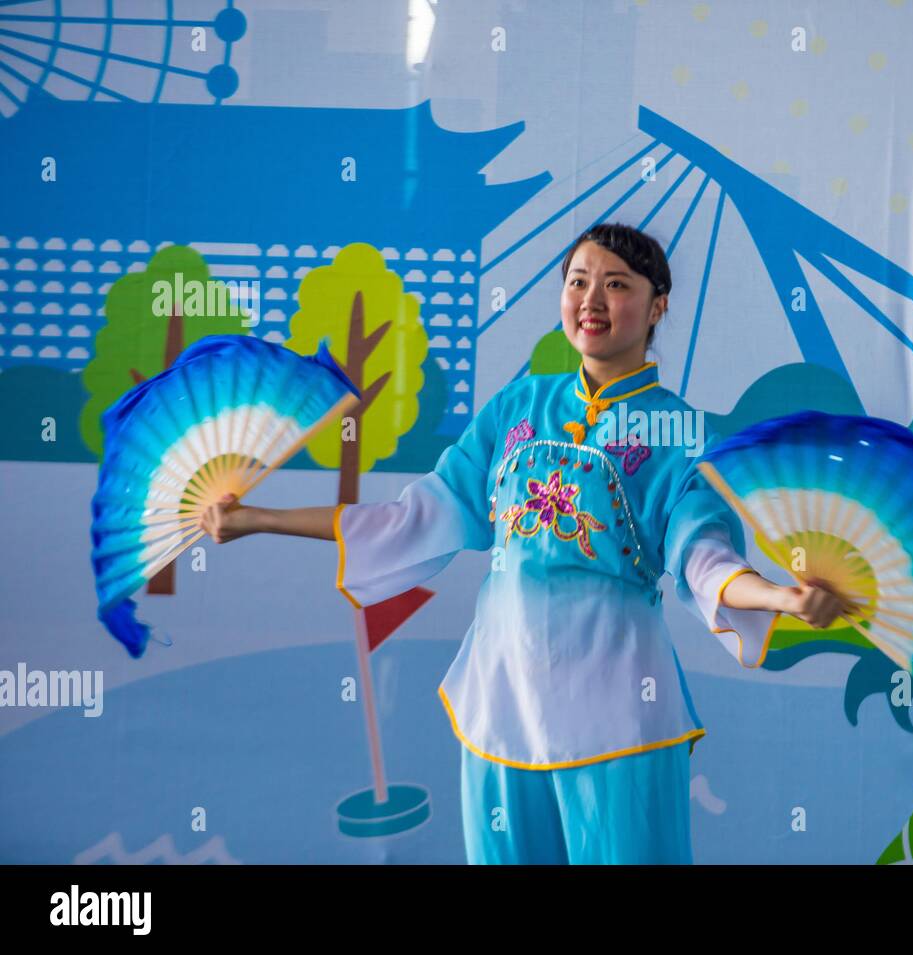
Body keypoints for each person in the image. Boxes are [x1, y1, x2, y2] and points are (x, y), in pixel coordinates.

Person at [200, 223, 850, 864]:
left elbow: (703, 554)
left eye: (616, 284)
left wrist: (777, 595)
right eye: (578, 281)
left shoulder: (679, 431)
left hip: (619, 711)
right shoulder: (516, 407)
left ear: (658, 306)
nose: (591, 299)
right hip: (502, 702)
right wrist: (258, 516)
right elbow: (410, 518)